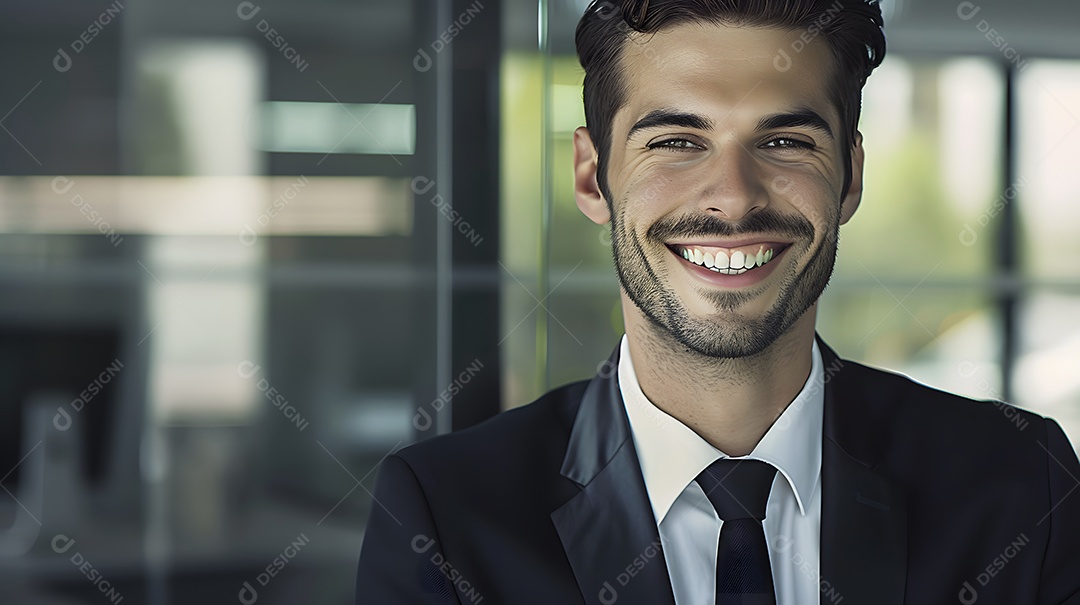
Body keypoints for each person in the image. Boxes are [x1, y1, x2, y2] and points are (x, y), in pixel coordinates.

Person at [356, 1, 1080, 603]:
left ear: (850, 177)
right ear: (590, 175)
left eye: (786, 141)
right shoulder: (446, 513)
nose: (734, 197)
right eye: (676, 140)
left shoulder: (1019, 483)